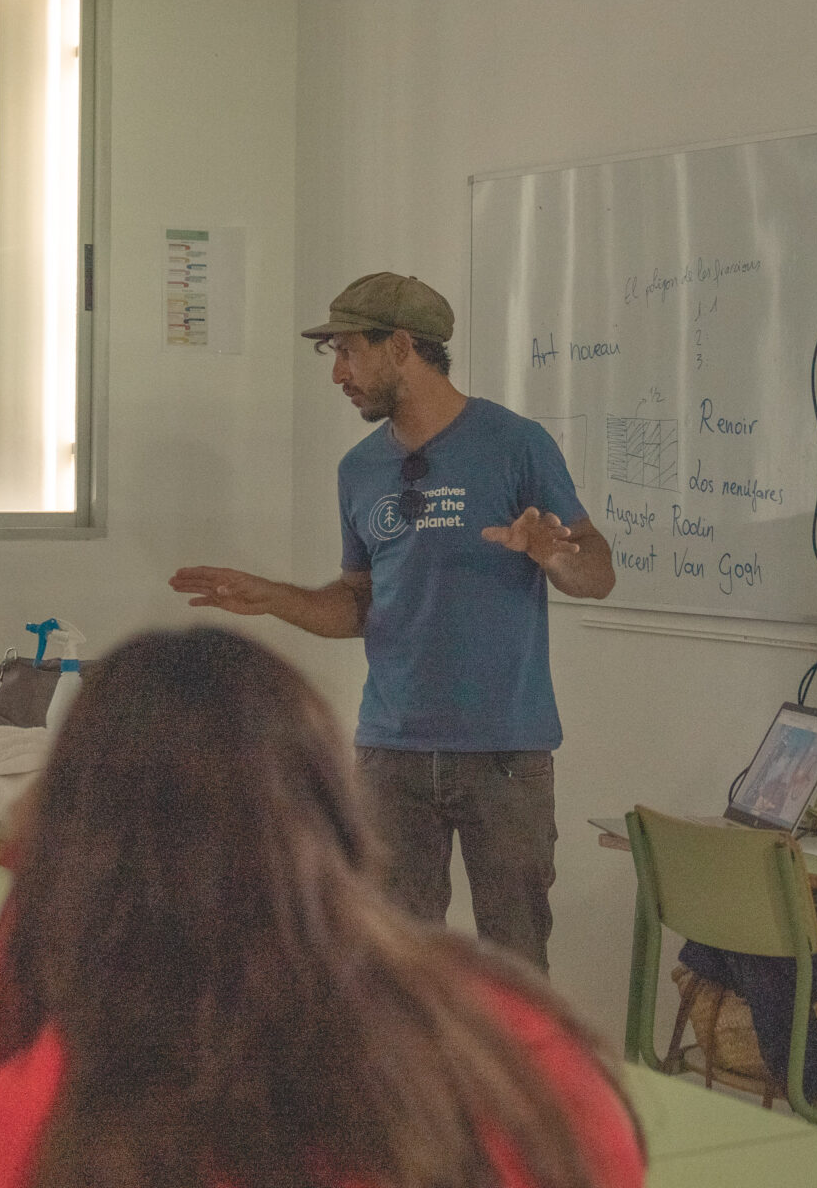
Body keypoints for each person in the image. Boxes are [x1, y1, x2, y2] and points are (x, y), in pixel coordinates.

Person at [0, 627, 643, 1188]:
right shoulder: (524, 1060)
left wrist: (35, 906)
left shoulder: (4, 1135)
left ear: (71, 845)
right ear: (337, 814)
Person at [170, 272, 613, 971]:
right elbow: (360, 604)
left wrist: (555, 556)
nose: (338, 374)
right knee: (389, 965)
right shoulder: (360, 469)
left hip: (504, 752)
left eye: (349, 351)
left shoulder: (514, 444)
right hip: (390, 753)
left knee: (515, 965)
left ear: (402, 347)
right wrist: (273, 597)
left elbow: (599, 574)